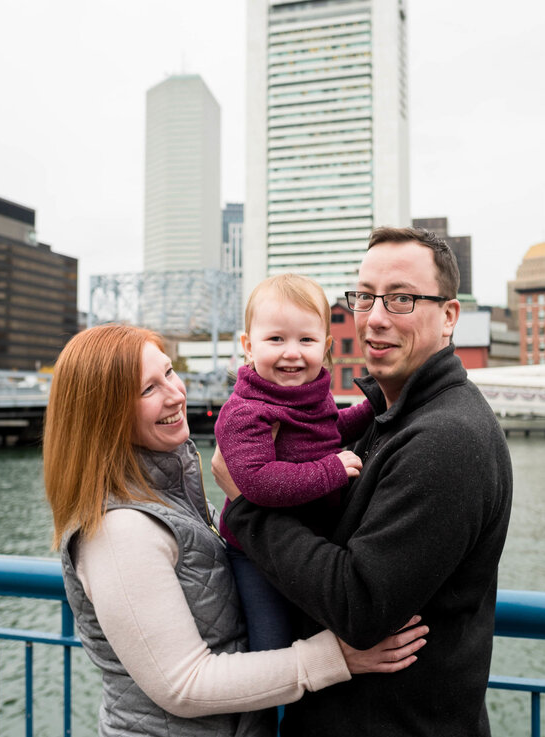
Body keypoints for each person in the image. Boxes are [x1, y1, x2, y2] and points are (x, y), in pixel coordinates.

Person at [42, 324, 428, 737]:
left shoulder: (170, 498)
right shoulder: (120, 531)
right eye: (147, 390)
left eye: (169, 373)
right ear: (102, 416)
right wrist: (336, 657)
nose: (175, 394)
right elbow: (184, 685)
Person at [215, 227, 514, 736]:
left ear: (449, 317)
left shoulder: (446, 440)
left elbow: (358, 605)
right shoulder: (394, 417)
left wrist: (245, 503)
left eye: (401, 299)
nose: (375, 317)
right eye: (365, 296)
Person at [214, 274, 375, 651]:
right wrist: (330, 470)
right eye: (276, 339)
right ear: (248, 347)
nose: (292, 352)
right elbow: (258, 482)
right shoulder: (246, 411)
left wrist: (373, 409)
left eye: (306, 340)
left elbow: (331, 430)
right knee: (273, 644)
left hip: (310, 545)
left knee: (313, 636)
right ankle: (268, 712)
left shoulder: (312, 397)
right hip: (256, 553)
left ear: (326, 346)